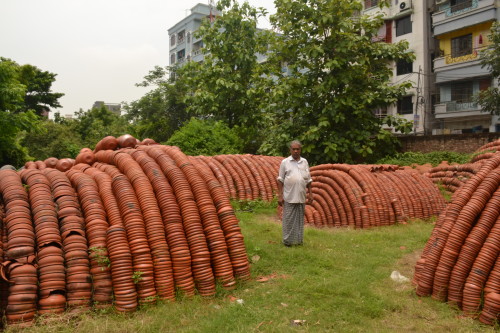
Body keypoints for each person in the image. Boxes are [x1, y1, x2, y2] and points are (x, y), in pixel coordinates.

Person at [277, 140, 313, 247]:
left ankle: (298, 241)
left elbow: (308, 179)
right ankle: (287, 241)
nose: (296, 151)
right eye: (294, 149)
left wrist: (310, 193)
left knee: (299, 220)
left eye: (298, 149)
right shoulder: (285, 162)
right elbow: (280, 179)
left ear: (300, 150)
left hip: (301, 195)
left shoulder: (304, 162)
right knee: (288, 219)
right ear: (290, 150)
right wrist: (280, 195)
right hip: (289, 196)